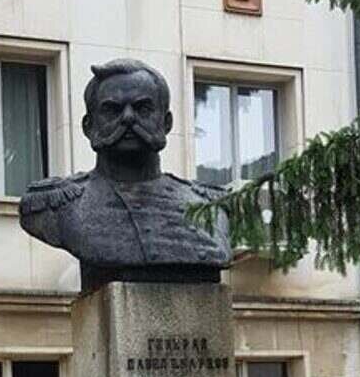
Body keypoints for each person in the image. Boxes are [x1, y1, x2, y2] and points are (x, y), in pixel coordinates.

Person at [19, 58, 232, 291]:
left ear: (166, 123)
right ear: (89, 127)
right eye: (112, 110)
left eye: (143, 109)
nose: (128, 118)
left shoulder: (208, 205)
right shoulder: (58, 205)